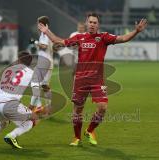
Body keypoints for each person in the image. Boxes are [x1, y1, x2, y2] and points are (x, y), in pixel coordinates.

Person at [38, 12, 147, 146]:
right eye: (90, 22)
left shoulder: (103, 37)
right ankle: (77, 138)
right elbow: (58, 41)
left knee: (102, 107)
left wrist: (136, 31)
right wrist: (46, 31)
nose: (92, 25)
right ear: (86, 23)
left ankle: (90, 130)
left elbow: (123, 38)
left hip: (97, 80)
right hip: (81, 80)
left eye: (95, 23)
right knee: (78, 110)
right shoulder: (79, 37)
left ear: (98, 25)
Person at [0, 51, 46, 149]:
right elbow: (36, 93)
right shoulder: (32, 73)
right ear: (30, 62)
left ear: (18, 60)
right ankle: (11, 136)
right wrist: (31, 107)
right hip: (8, 105)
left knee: (5, 119)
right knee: (34, 119)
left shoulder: (8, 69)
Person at [29, 16, 53, 112]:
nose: (37, 25)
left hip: (45, 62)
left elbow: (44, 46)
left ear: (44, 24)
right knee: (44, 86)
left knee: (35, 84)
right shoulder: (46, 33)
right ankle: (48, 106)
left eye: (39, 23)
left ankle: (33, 107)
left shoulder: (45, 34)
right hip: (47, 61)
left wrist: (34, 42)